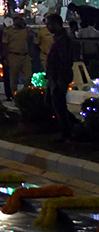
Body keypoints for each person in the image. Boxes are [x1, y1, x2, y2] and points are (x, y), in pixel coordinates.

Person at [45, 13, 76, 141]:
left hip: (59, 77)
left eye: (49, 24)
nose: (47, 26)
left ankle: (67, 131)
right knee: (51, 102)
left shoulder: (63, 40)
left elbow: (64, 60)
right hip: (54, 76)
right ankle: (71, 125)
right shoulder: (58, 38)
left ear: (56, 24)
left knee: (58, 104)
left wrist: (60, 79)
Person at [3, 15, 33, 97]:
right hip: (14, 55)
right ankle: (15, 96)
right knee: (14, 78)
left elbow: (29, 42)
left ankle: (25, 95)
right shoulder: (9, 31)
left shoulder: (26, 30)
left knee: (28, 77)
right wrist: (6, 58)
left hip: (25, 56)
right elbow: (5, 44)